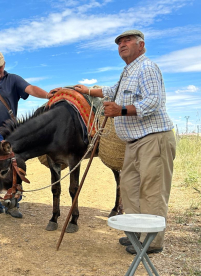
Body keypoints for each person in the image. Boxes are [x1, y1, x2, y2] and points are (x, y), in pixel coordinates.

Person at [73, 30, 176, 254]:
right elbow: (112, 91)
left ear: (142, 46)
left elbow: (154, 102)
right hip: (134, 141)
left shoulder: (147, 67)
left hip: (153, 138)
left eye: (128, 40)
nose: (122, 44)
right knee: (129, 188)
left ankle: (152, 242)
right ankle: (137, 235)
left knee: (152, 190)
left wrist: (120, 110)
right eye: (119, 42)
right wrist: (87, 90)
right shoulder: (128, 71)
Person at [0, 50, 54, 218]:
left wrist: (47, 95)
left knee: (14, 168)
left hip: (10, 134)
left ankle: (13, 204)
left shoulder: (14, 79)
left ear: (4, 65)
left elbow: (30, 89)